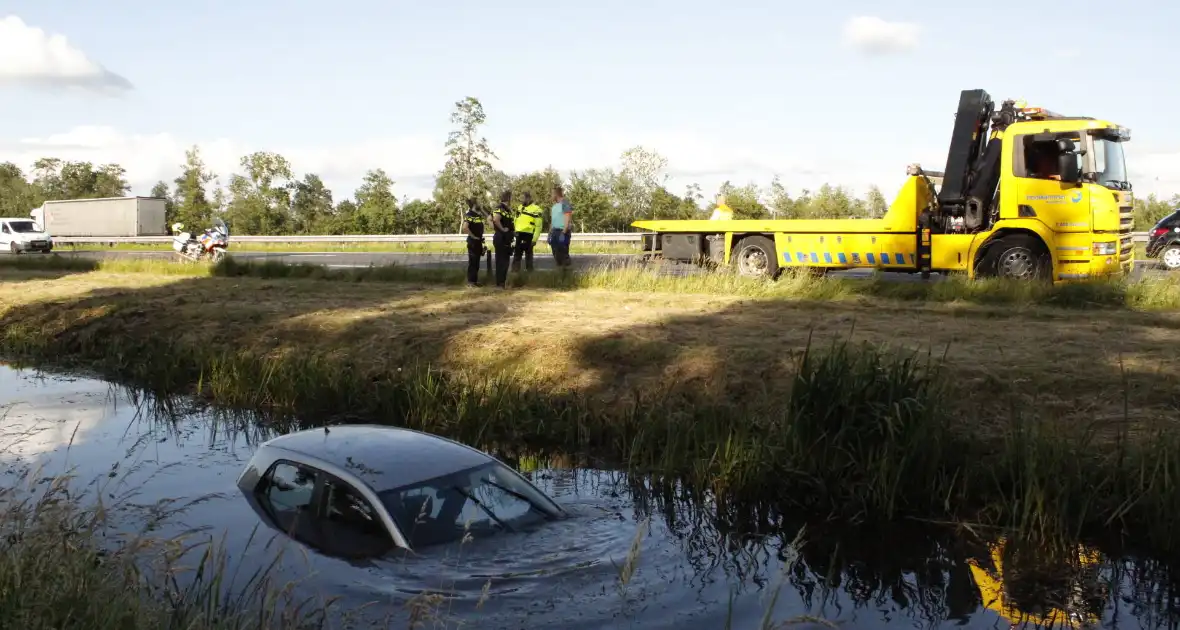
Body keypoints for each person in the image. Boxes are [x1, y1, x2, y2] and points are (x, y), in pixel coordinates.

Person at [512, 192, 543, 272]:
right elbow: (515, 220)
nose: (521, 200)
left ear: (528, 198)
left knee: (528, 258)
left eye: (523, 198)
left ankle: (529, 277)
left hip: (529, 236)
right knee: (516, 257)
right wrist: (514, 231)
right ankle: (514, 277)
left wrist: (535, 239)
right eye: (520, 198)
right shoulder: (519, 207)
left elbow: (538, 226)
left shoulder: (536, 209)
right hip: (519, 235)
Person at [490, 190, 515, 288]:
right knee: (501, 261)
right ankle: (500, 283)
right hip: (501, 237)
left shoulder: (507, 210)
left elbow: (490, 219)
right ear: (508, 199)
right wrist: (502, 229)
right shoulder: (500, 208)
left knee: (505, 261)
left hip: (507, 238)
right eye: (510, 198)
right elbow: (495, 219)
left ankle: (502, 283)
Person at [461, 197, 485, 287]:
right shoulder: (470, 214)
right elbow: (465, 228)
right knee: (473, 263)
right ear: (475, 204)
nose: (480, 204)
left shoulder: (477, 215)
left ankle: (474, 281)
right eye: (478, 202)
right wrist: (473, 237)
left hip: (478, 242)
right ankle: (470, 282)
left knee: (476, 263)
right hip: (473, 242)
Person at [549, 186, 573, 267]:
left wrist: (564, 232)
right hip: (554, 232)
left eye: (552, 194)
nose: (551, 196)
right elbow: (552, 221)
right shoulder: (554, 207)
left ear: (556, 194)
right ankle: (559, 274)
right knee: (556, 255)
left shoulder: (565, 204)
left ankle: (567, 273)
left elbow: (567, 219)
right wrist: (550, 233)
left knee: (563, 254)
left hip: (562, 231)